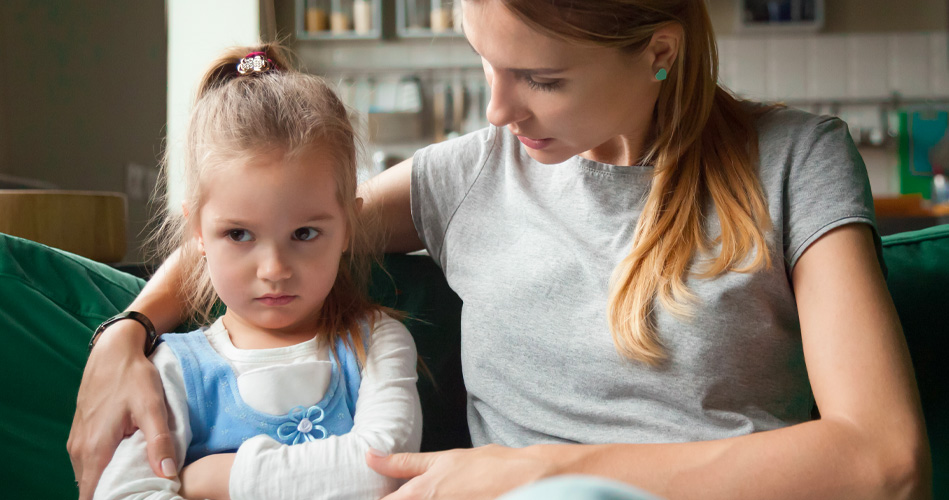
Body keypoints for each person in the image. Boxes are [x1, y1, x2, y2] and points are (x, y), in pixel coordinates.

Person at [70, 1, 931, 499]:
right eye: (485, 62)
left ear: (659, 53)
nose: (497, 111)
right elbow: (265, 227)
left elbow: (884, 459)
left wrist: (538, 467)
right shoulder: (468, 176)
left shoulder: (794, 161)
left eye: (542, 79)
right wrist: (128, 331)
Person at [88, 44, 421, 500]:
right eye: (240, 235)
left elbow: (384, 470)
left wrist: (203, 480)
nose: (275, 269)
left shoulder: (376, 343)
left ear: (348, 226)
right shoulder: (175, 369)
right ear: (197, 233)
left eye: (304, 233)